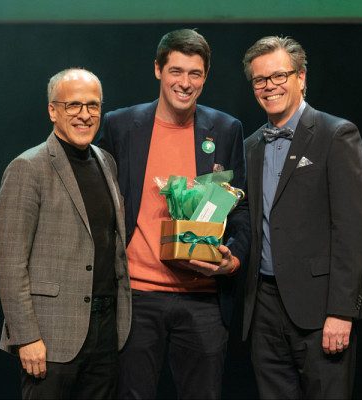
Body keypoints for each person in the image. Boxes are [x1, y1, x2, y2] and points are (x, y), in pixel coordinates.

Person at [98, 29, 250, 399]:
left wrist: (234, 261)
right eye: (176, 71)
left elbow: (241, 206)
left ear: (205, 76)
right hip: (137, 295)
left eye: (195, 74)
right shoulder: (120, 126)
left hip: (203, 298)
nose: (185, 83)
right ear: (157, 70)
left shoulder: (226, 130)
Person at [241, 36, 362, 399]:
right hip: (264, 308)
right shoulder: (251, 146)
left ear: (301, 77)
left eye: (279, 76)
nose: (270, 86)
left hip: (320, 309)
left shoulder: (336, 134)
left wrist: (342, 312)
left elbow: (352, 230)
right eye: (260, 80)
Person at [0, 68, 131, 399]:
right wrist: (26, 337)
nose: (85, 115)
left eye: (93, 105)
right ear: (53, 110)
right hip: (51, 338)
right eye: (74, 106)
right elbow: (9, 263)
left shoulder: (106, 163)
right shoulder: (28, 168)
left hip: (106, 331)